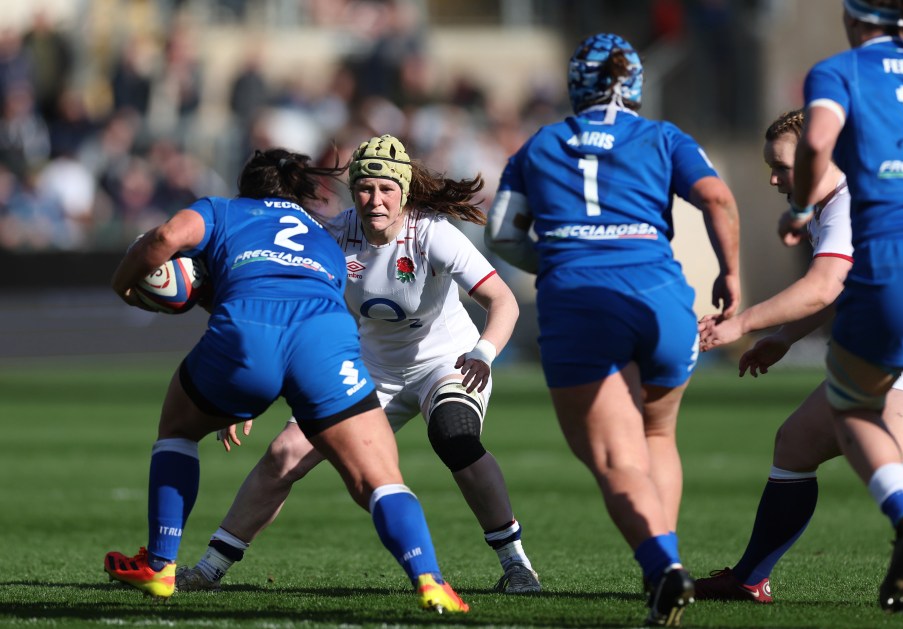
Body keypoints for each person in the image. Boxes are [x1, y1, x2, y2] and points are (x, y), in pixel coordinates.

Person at [103, 147, 469, 614]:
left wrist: (123, 284)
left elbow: (166, 235)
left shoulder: (223, 209)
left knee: (177, 427)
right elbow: (294, 291)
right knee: (378, 477)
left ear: (245, 187)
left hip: (248, 335)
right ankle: (430, 579)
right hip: (327, 338)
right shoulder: (323, 233)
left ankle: (159, 564)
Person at [175, 134, 541, 595]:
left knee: (454, 435)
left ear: (404, 192)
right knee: (284, 454)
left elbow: (503, 300)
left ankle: (517, 565)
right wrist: (248, 395)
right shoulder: (330, 238)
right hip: (371, 368)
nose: (376, 199)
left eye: (387, 189)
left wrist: (484, 353)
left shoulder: (432, 233)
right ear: (353, 191)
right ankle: (208, 570)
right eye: (366, 188)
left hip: (446, 362)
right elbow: (288, 315)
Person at [486, 32, 741, 627]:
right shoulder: (663, 135)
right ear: (637, 85)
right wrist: (730, 275)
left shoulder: (540, 143)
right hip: (663, 299)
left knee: (613, 459)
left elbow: (502, 234)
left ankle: (664, 568)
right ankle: (665, 565)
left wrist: (560, 259)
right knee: (658, 434)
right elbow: (719, 200)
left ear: (576, 84)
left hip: (583, 303)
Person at [695, 108, 903, 604]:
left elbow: (822, 286)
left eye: (783, 167)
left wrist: (743, 321)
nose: (774, 178)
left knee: (891, 456)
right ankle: (749, 578)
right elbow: (839, 292)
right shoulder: (830, 201)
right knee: (795, 445)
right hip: (891, 348)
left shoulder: (852, 201)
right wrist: (786, 338)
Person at [783, 0, 903, 613]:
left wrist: (800, 206)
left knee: (851, 406)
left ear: (855, 20)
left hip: (899, 261)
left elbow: (817, 144)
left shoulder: (840, 71)